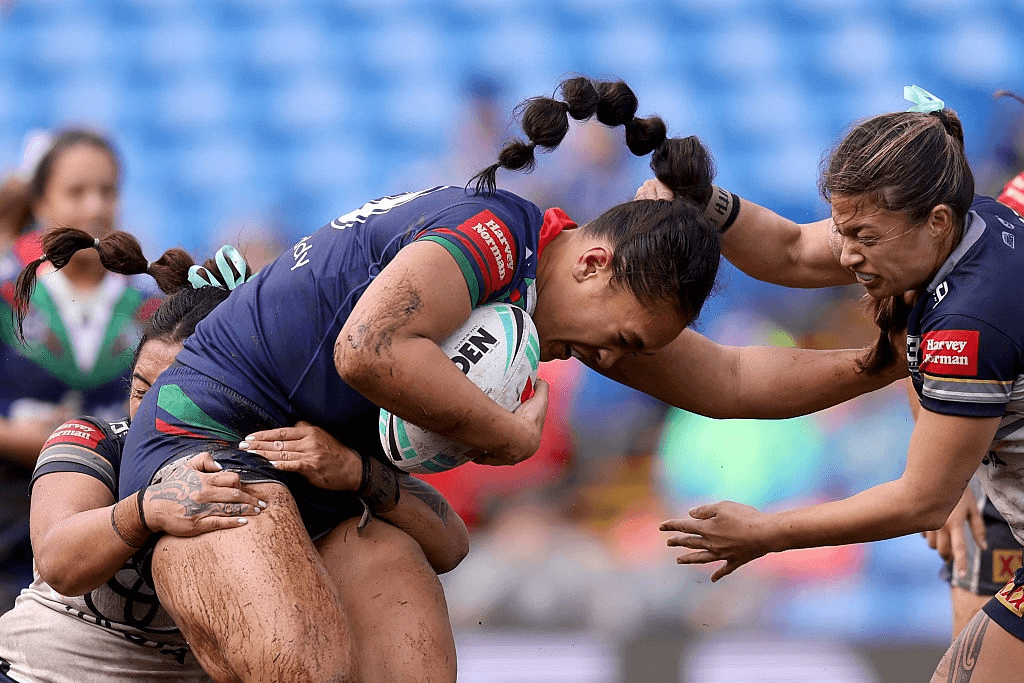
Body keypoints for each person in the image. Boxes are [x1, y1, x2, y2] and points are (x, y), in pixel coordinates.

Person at [16, 76, 903, 682]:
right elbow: (369, 348)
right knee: (304, 669)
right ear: (592, 261)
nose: (608, 360)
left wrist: (873, 365)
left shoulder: (576, 299)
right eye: (620, 338)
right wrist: (505, 434)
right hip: (214, 445)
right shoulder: (489, 233)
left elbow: (736, 379)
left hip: (324, 476)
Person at [650, 86, 1024, 681]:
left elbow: (922, 500)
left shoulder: (968, 323)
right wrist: (707, 204)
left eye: (864, 239)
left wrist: (767, 532)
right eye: (845, 232)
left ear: (936, 222)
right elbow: (794, 251)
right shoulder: (959, 226)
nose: (846, 256)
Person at [2, 240, 468, 683]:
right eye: (142, 389)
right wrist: (144, 509)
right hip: (43, 673)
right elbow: (58, 560)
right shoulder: (98, 441)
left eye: (173, 396)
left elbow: (450, 544)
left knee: (380, 546)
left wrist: (359, 474)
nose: (150, 413)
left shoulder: (286, 448)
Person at [0, 128, 159, 611]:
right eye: (76, 191)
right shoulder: (7, 294)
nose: (94, 207)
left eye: (107, 191)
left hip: (109, 519)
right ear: (42, 200)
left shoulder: (151, 308)